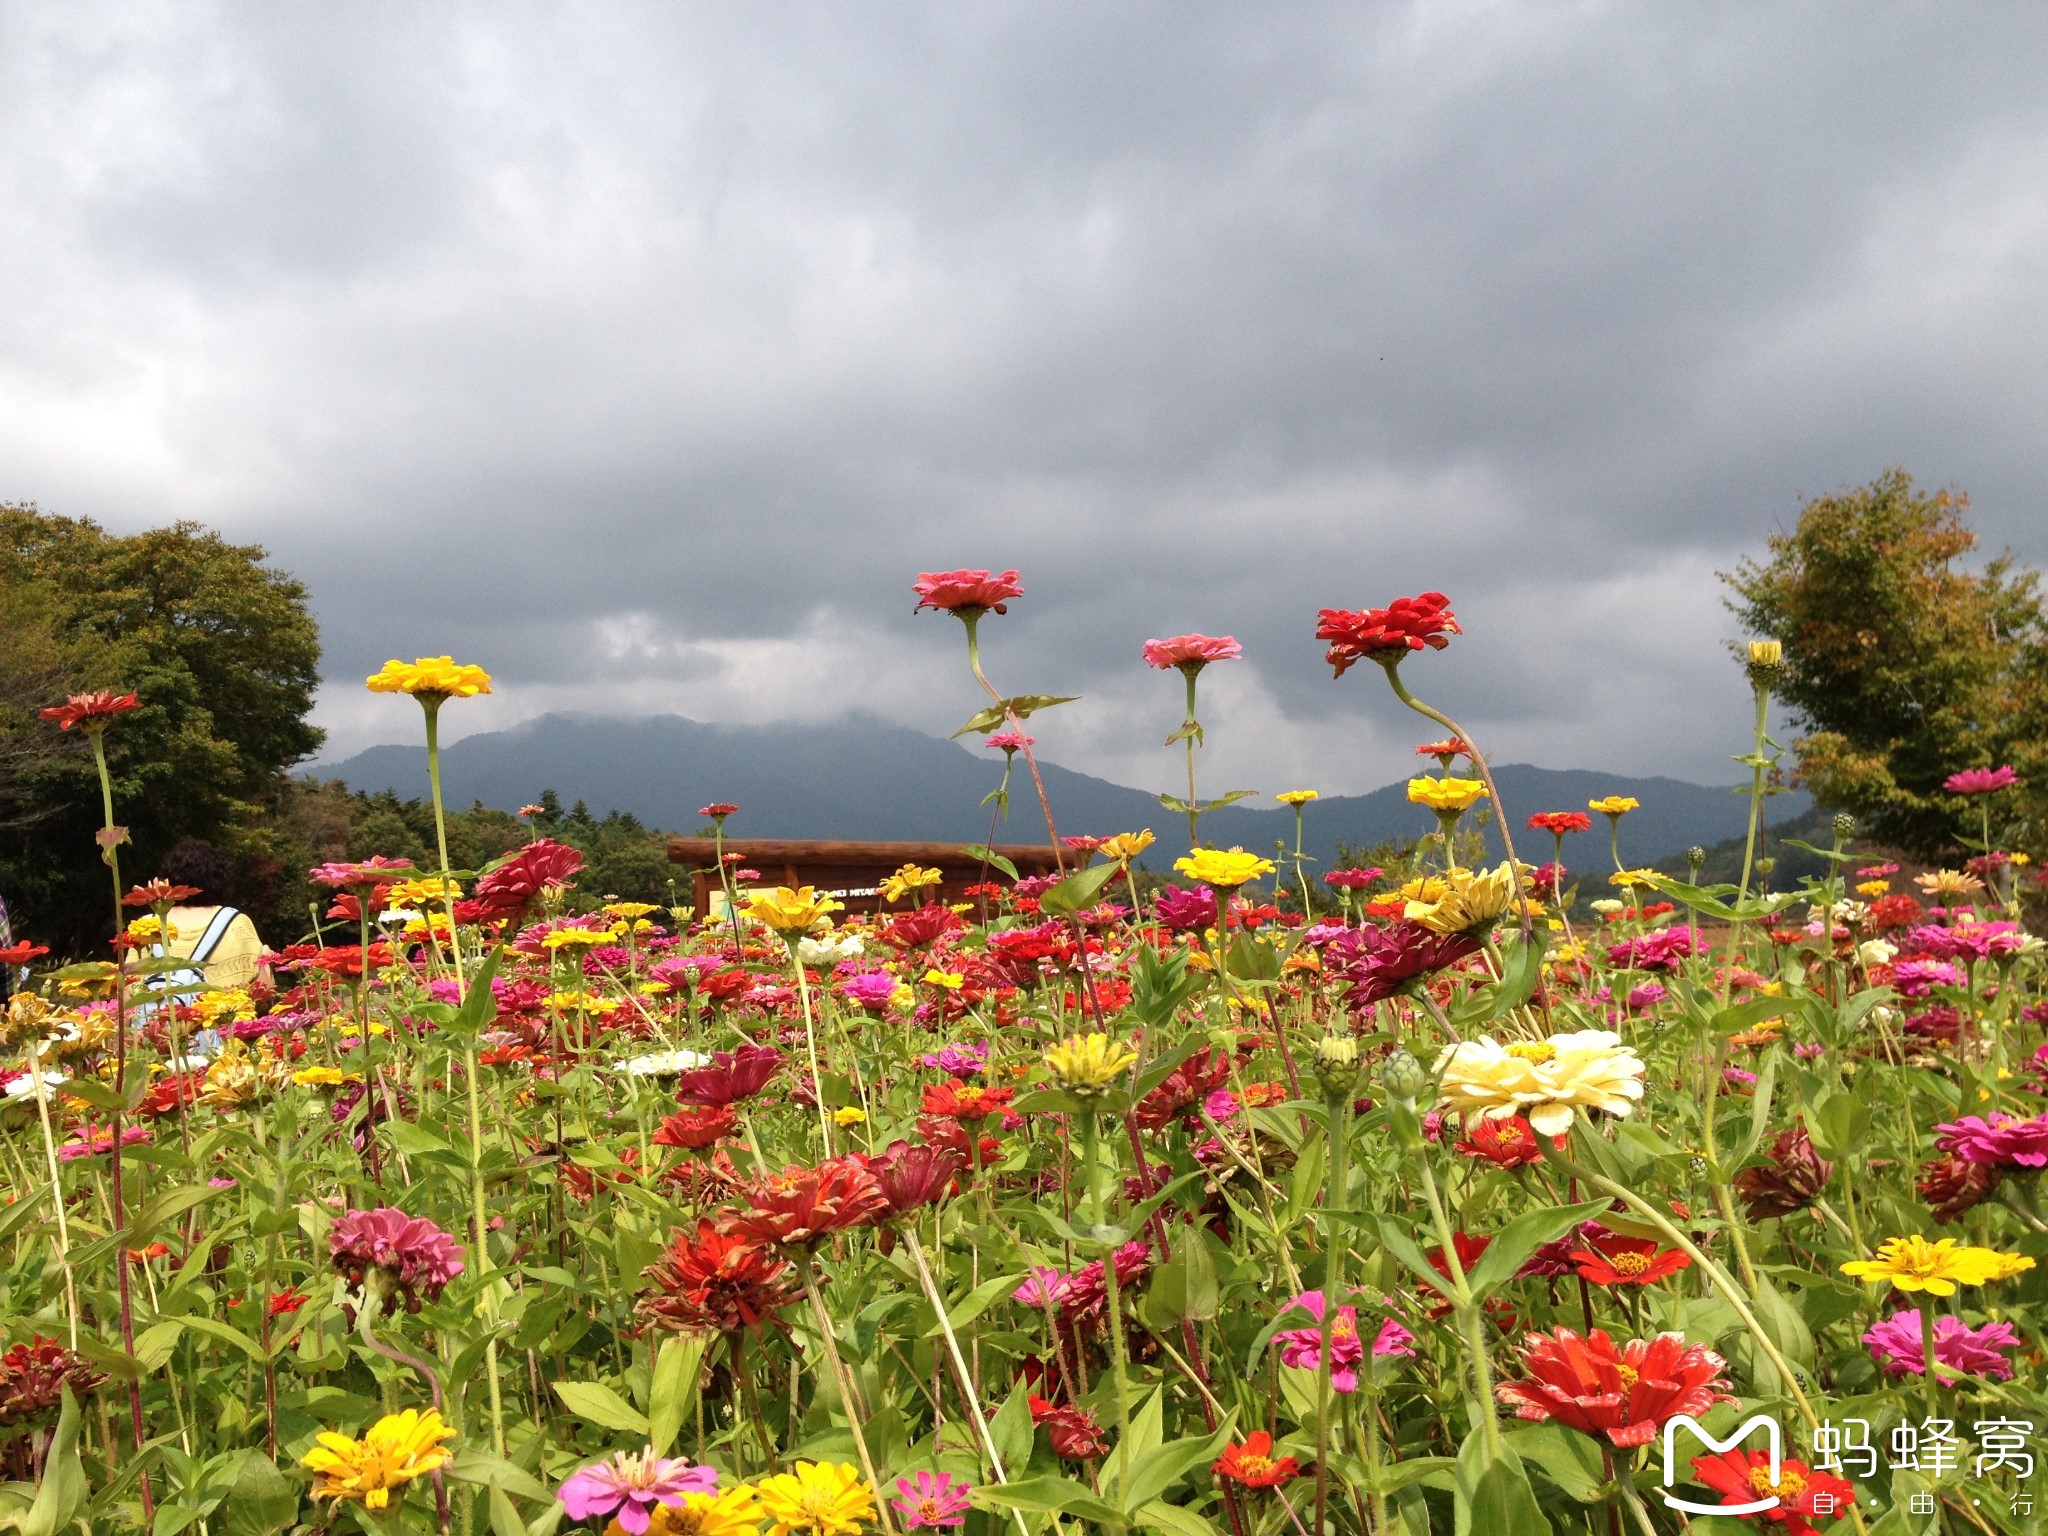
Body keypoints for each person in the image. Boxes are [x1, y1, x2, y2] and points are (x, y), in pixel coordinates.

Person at [157, 840, 271, 990]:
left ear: (168, 880)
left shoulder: (147, 928)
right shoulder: (236, 923)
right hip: (225, 1012)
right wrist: (266, 963)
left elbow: (127, 995)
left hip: (160, 1013)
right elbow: (263, 993)